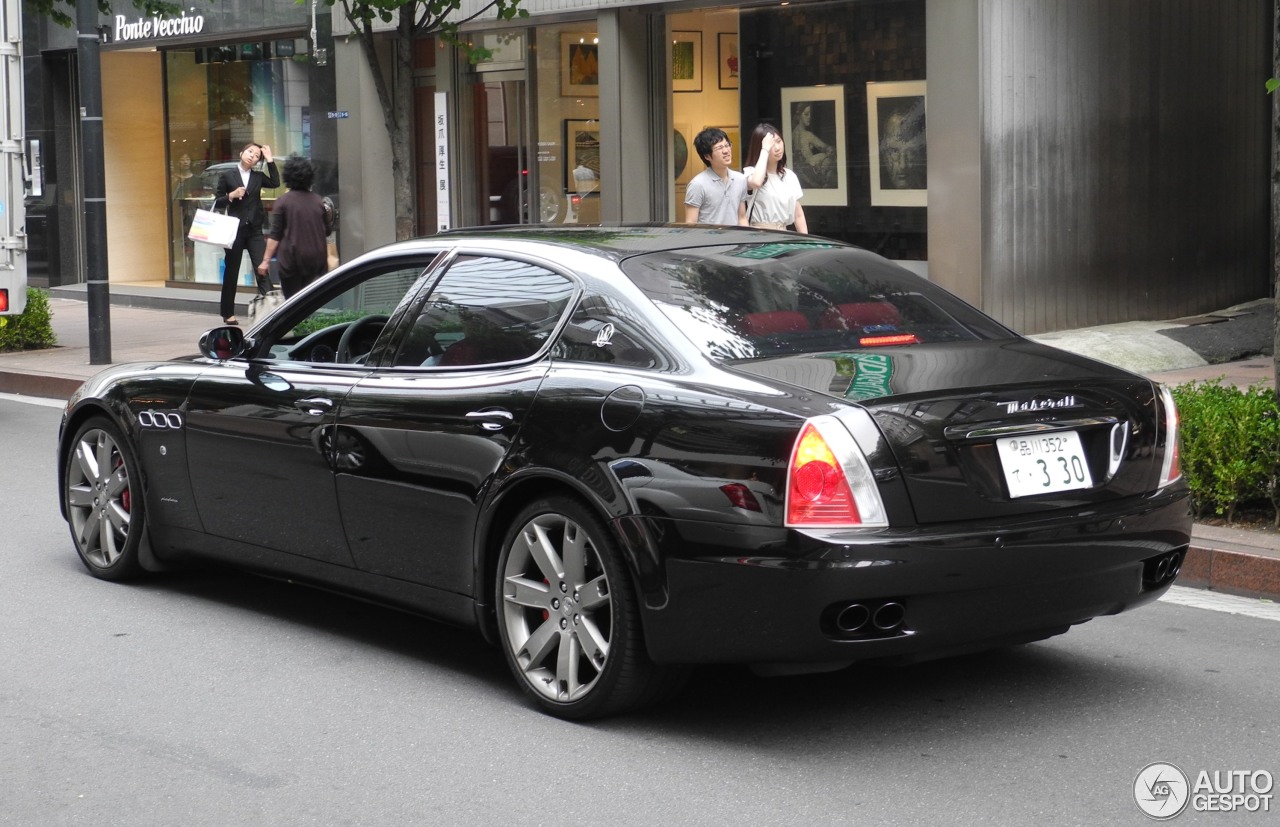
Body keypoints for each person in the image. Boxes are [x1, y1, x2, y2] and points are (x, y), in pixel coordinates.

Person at [213, 142, 279, 325]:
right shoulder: (227, 175)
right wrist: (231, 196)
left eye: (257, 155)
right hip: (234, 231)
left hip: (254, 230)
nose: (252, 155)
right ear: (242, 152)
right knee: (232, 272)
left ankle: (272, 311)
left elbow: (275, 182)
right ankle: (227, 313)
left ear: (258, 161)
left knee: (262, 268)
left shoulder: (257, 176)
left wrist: (270, 159)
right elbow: (217, 202)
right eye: (250, 151)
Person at [256, 156, 329, 299]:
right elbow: (326, 231)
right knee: (310, 301)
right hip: (316, 261)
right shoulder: (318, 201)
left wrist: (265, 261)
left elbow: (275, 235)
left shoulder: (283, 202)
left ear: (287, 176)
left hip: (292, 260)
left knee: (293, 302)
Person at [742, 123, 808, 233]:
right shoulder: (751, 173)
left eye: (779, 141)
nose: (777, 148)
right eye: (771, 145)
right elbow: (756, 182)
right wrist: (765, 150)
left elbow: (798, 215)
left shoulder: (789, 175)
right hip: (759, 234)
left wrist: (806, 241)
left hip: (783, 233)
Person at [684, 127, 748, 225]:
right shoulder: (697, 184)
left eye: (727, 145)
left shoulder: (740, 179)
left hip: (735, 239)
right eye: (719, 148)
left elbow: (742, 218)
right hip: (709, 240)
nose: (726, 151)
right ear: (707, 156)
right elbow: (691, 223)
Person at [790, 102, 836, 190]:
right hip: (810, 173)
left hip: (802, 174)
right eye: (806, 114)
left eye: (810, 114)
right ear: (799, 115)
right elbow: (827, 148)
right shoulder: (807, 135)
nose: (809, 117)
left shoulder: (794, 133)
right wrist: (827, 153)